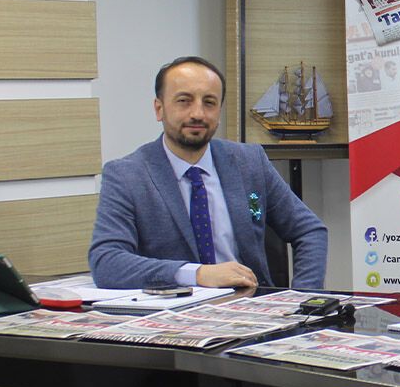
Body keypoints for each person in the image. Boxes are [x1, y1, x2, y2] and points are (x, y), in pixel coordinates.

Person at [90, 56, 328, 289]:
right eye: (184, 101)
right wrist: (196, 274)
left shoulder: (249, 163)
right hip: (176, 309)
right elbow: (107, 262)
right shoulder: (127, 176)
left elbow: (309, 231)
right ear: (159, 109)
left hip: (251, 303)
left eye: (209, 102)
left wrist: (302, 298)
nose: (198, 113)